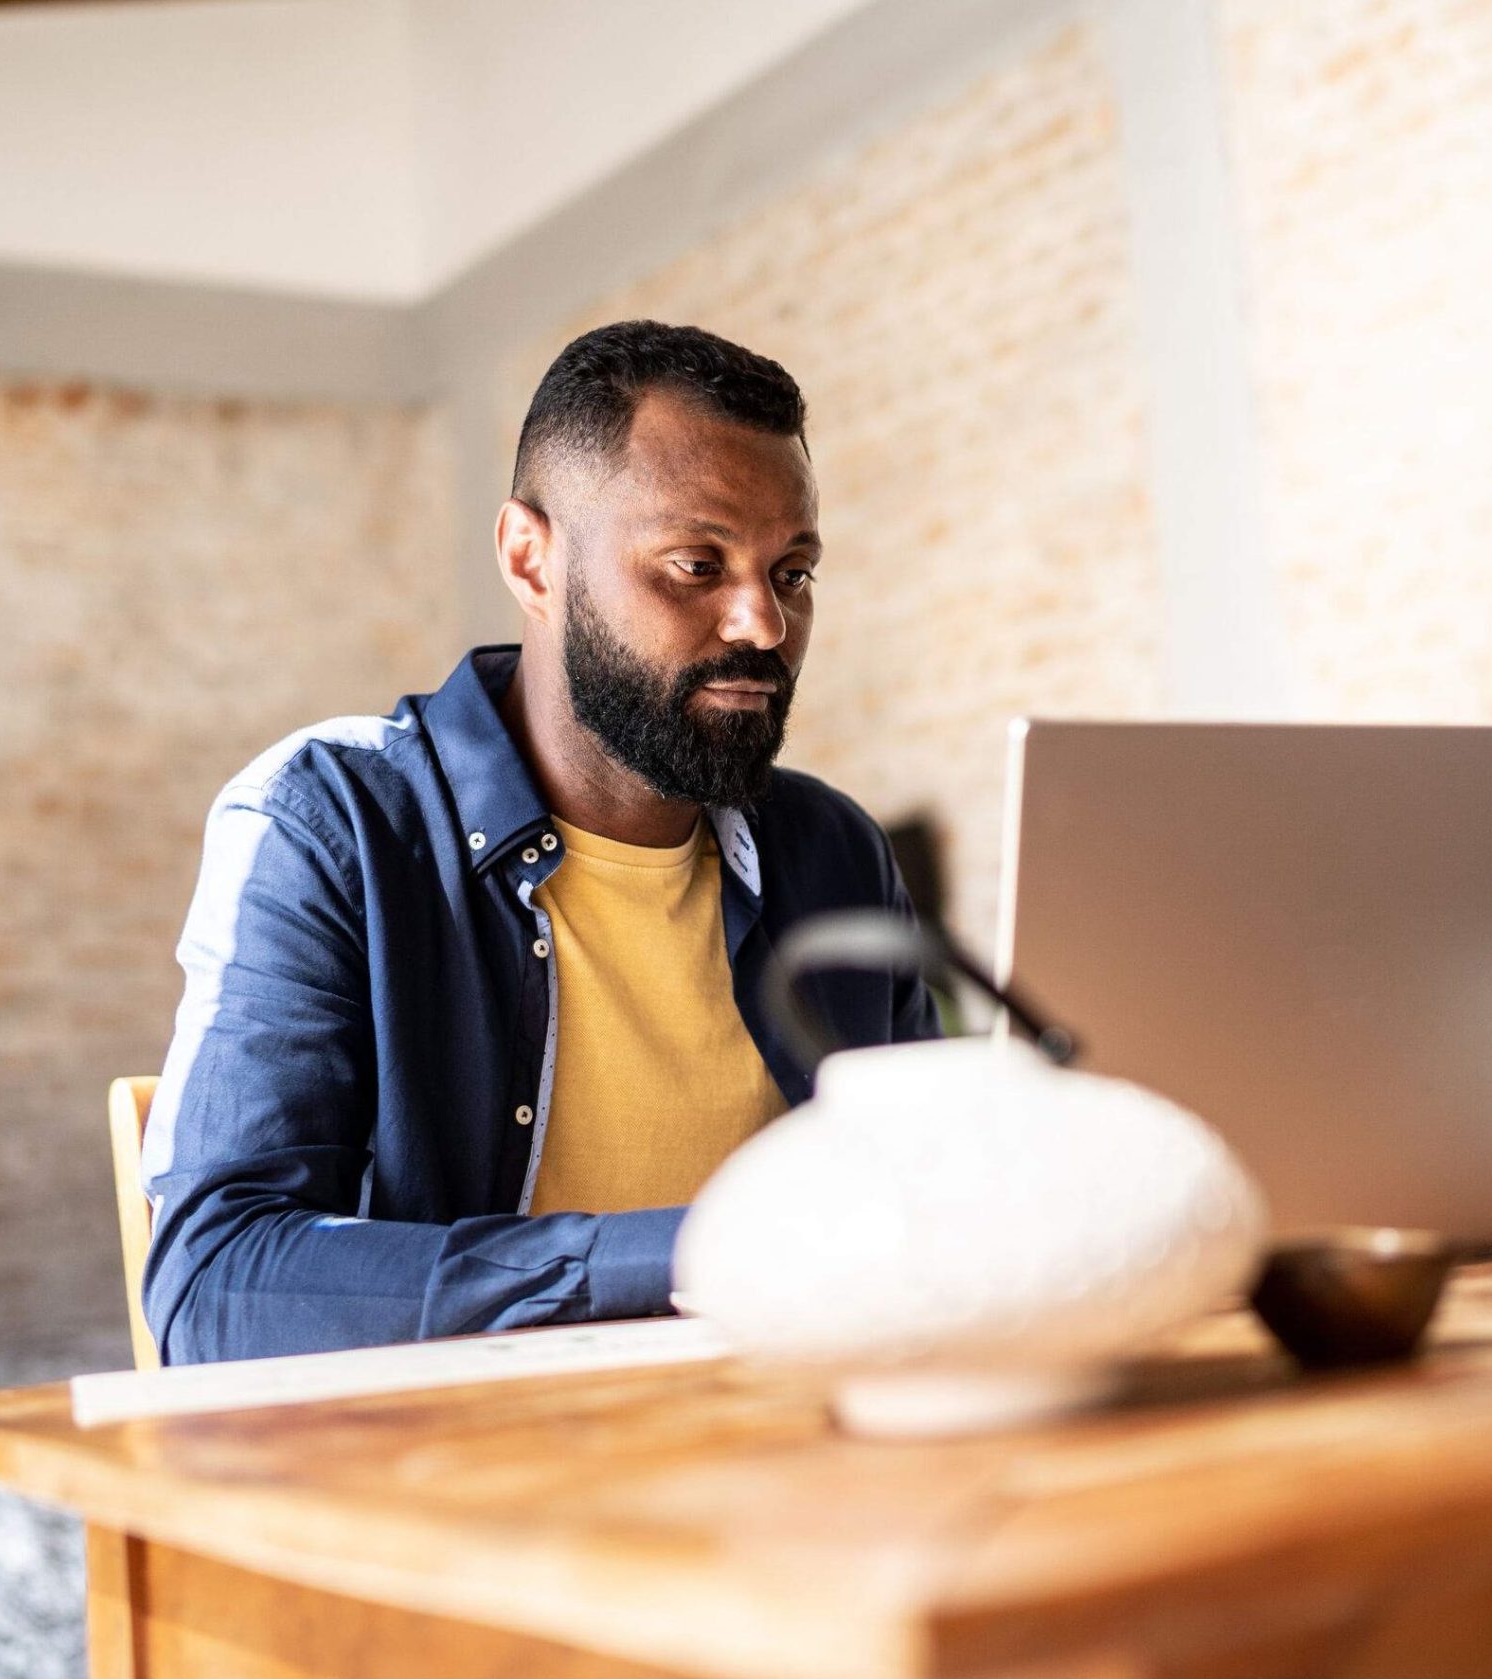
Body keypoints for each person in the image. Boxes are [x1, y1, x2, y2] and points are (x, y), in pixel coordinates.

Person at [140, 321, 941, 1364]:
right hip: (462, 1485)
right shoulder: (331, 823)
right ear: (531, 558)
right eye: (697, 565)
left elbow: (929, 1201)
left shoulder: (832, 850)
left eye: (792, 572)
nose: (763, 623)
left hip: (803, 1454)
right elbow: (217, 1282)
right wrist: (692, 1257)